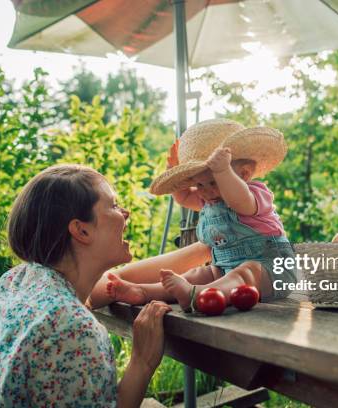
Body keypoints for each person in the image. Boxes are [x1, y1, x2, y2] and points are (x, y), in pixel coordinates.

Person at [0, 164, 171, 407]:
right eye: (114, 205)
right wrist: (142, 361)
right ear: (81, 230)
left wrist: (206, 248)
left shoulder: (17, 281)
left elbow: (120, 279)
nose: (126, 212)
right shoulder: (75, 327)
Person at [90, 119, 297, 311]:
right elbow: (182, 198)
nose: (205, 191)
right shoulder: (209, 199)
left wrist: (223, 171)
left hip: (272, 270)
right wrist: (175, 170)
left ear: (243, 174)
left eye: (213, 182)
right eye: (199, 184)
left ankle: (196, 295)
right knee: (198, 274)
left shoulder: (253, 194)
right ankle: (144, 292)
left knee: (246, 271)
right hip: (224, 271)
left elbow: (239, 201)